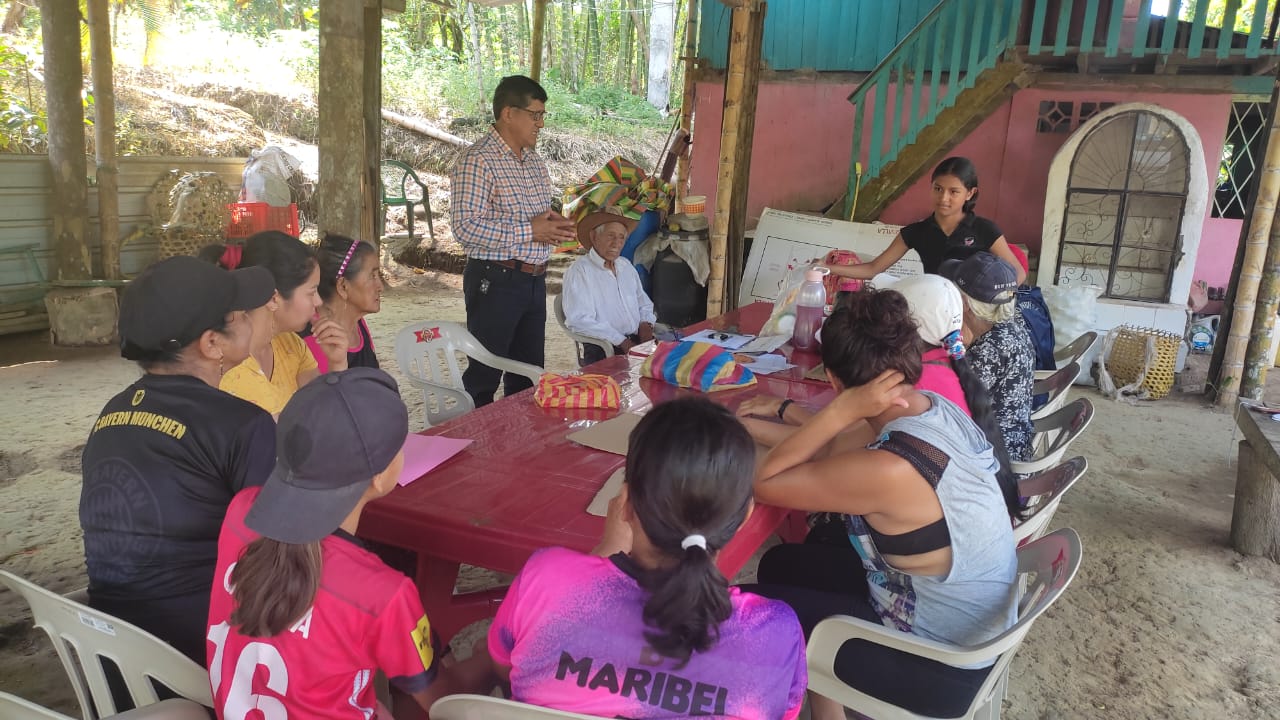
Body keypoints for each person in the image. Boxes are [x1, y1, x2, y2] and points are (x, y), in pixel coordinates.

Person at [742, 288, 1020, 720]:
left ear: (833, 380)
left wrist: (839, 411)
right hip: (964, 628)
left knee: (738, 614)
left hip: (934, 665)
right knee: (782, 565)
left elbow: (765, 483)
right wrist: (751, 424)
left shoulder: (891, 468)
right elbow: (831, 448)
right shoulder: (929, 407)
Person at [486, 397, 808, 719]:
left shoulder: (547, 582)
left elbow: (508, 670)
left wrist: (606, 553)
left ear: (625, 504)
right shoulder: (775, 635)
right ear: (745, 515)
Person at [206, 368, 489, 718]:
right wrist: (489, 659)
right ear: (380, 476)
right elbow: (444, 702)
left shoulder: (241, 511)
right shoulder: (383, 593)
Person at [80, 256, 276, 665]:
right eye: (241, 314)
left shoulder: (112, 411)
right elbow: (275, 555)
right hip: (201, 653)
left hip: (113, 651)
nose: (253, 319)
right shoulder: (244, 425)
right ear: (212, 343)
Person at [450, 74, 576, 407]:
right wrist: (530, 230)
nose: (541, 124)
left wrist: (557, 227)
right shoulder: (477, 161)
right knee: (484, 376)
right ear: (508, 113)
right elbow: (465, 228)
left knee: (528, 376)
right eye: (535, 115)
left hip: (534, 281)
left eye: (542, 116)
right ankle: (474, 438)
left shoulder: (534, 163)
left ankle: (519, 438)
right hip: (495, 280)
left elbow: (537, 220)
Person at [203, 231, 349, 416]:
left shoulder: (292, 345)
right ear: (273, 298)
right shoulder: (225, 368)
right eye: (311, 292)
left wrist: (337, 364)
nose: (318, 302)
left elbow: (325, 413)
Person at [824, 157, 1027, 284]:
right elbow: (873, 269)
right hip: (934, 309)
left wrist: (991, 302)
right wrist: (826, 268)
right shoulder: (916, 232)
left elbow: (1018, 273)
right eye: (938, 189)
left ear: (970, 193)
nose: (943, 198)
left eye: (953, 192)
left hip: (975, 315)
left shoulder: (985, 230)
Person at [940, 252, 1036, 463]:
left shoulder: (991, 348)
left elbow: (954, 406)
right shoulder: (1011, 324)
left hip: (995, 458)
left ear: (964, 303)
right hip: (1014, 440)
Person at [562, 206, 656, 364]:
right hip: (604, 348)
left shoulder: (625, 265)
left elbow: (644, 303)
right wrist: (623, 342)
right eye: (610, 235)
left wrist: (645, 328)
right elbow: (579, 320)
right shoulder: (580, 271)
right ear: (594, 236)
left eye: (621, 237)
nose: (616, 243)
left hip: (636, 341)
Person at [305, 234, 381, 372]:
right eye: (372, 276)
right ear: (343, 287)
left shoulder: (359, 325)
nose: (380, 287)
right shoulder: (312, 341)